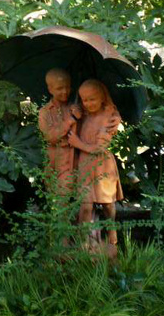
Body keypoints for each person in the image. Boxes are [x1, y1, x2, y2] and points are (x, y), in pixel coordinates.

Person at [67, 79, 123, 254]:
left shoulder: (109, 118)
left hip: (102, 166)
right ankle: (84, 242)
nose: (88, 103)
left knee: (107, 204)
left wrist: (78, 143)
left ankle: (112, 234)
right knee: (85, 205)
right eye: (84, 100)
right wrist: (73, 116)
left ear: (102, 98)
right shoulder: (83, 116)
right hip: (84, 165)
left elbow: (99, 148)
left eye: (92, 99)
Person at [38, 68, 81, 197]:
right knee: (56, 199)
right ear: (50, 89)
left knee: (71, 197)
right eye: (59, 88)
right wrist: (71, 120)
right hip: (53, 161)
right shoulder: (44, 112)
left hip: (73, 159)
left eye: (67, 87)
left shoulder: (74, 108)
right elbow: (50, 137)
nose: (65, 91)